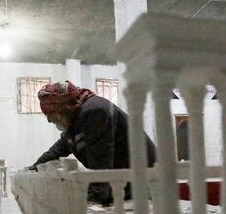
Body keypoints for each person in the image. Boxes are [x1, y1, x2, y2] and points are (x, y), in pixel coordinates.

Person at [28, 81, 156, 205]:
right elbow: (60, 148)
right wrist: (35, 167)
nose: (50, 120)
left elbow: (100, 159)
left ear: (64, 109)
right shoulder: (77, 118)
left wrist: (95, 197)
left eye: (51, 114)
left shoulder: (95, 112)